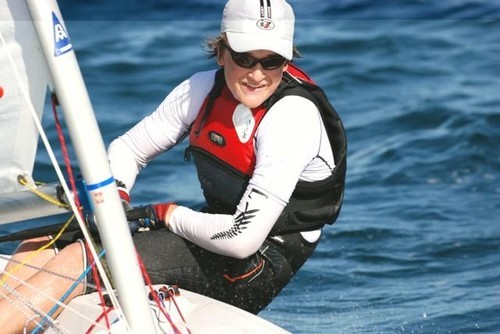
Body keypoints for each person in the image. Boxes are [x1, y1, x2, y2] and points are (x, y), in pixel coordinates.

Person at [0, 0, 346, 331]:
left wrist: (167, 214)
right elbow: (129, 148)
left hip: (256, 263)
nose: (257, 74)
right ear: (223, 53)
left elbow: (243, 240)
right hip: (212, 230)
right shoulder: (201, 90)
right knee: (44, 241)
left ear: (286, 62)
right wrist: (116, 198)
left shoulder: (291, 118)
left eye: (272, 61)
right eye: (245, 58)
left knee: (80, 259)